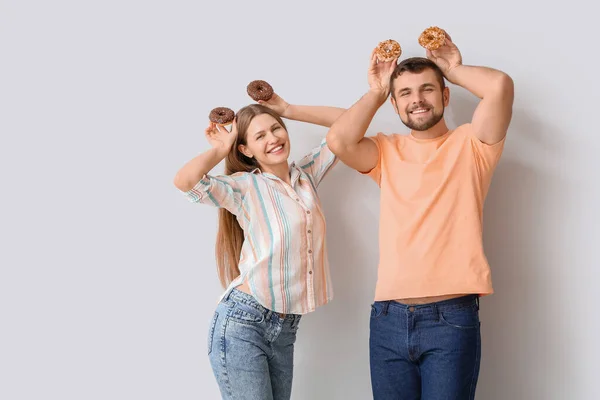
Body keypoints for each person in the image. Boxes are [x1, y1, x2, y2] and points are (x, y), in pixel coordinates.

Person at [326, 30, 514, 399]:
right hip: (387, 319)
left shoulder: (473, 144)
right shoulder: (385, 151)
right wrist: (378, 92)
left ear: (444, 95)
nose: (417, 100)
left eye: (427, 89)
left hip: (451, 317)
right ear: (395, 107)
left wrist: (455, 69)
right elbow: (340, 141)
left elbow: (500, 86)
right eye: (405, 94)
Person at [173, 91, 345, 400]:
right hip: (243, 324)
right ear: (246, 149)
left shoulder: (306, 175)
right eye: (260, 136)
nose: (273, 138)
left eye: (276, 128)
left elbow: (348, 122)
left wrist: (288, 108)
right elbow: (186, 181)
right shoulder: (245, 186)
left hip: (287, 329)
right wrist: (221, 149)